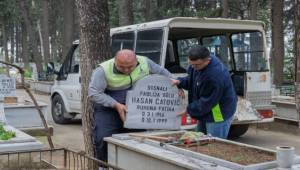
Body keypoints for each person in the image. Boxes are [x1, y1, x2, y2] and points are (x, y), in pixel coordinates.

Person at [88, 49, 172, 161]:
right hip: (108, 106)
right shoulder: (102, 70)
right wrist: (116, 105)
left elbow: (163, 73)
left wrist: (175, 84)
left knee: (138, 138)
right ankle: (104, 166)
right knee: (103, 138)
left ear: (136, 61)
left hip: (134, 105)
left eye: (130, 67)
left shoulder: (145, 62)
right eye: (121, 67)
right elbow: (94, 93)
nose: (126, 70)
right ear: (115, 62)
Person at [172, 45, 237, 139]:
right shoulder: (198, 65)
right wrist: (180, 82)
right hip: (204, 108)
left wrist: (188, 110)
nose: (193, 67)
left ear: (208, 60)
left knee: (214, 142)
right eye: (191, 64)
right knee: (200, 138)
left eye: (196, 65)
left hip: (218, 110)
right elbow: (193, 80)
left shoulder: (215, 76)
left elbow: (207, 101)